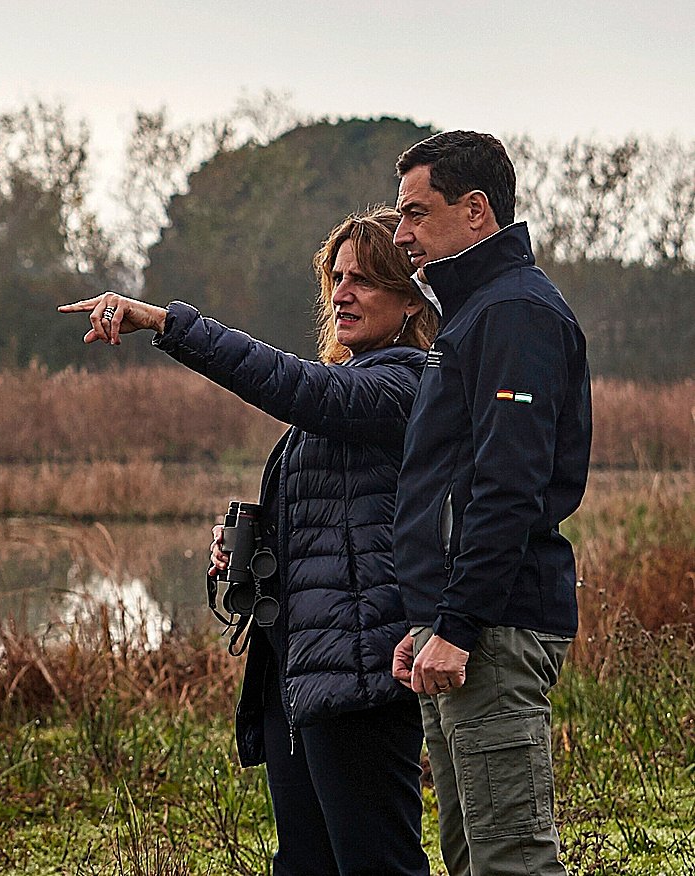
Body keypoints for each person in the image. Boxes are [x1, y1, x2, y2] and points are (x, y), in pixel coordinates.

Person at [60, 207, 438, 876]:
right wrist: (249, 552)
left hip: (359, 672)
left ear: (410, 300)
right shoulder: (342, 396)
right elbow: (337, 522)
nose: (341, 294)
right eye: (336, 278)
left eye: (365, 281)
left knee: (375, 864)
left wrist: (166, 323)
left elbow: (291, 385)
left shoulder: (404, 384)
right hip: (299, 671)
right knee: (302, 865)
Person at [388, 131, 592, 876]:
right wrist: (428, 617)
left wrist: (460, 623)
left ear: (474, 212)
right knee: (471, 857)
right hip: (462, 625)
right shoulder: (472, 315)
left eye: (415, 213)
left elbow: (509, 487)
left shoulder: (513, 314)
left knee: (511, 862)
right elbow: (446, 479)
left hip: (494, 629)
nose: (401, 233)